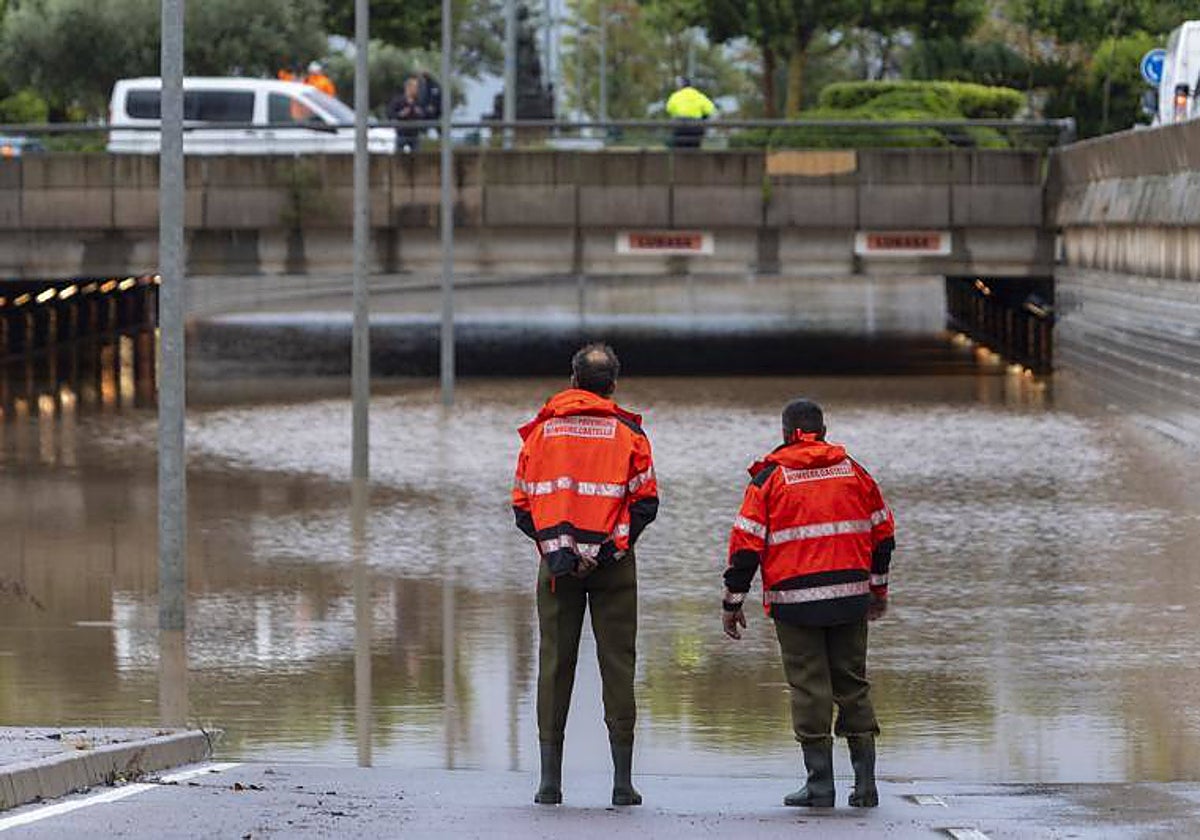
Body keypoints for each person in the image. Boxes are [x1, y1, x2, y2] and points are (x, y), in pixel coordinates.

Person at [721, 398, 895, 809]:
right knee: (852, 683)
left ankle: (820, 785)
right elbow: (883, 536)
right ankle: (866, 785)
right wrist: (878, 591)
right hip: (851, 599)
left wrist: (732, 601)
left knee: (809, 687)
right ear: (824, 430)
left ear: (785, 433)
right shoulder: (855, 472)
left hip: (795, 603)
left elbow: (745, 547)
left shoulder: (769, 480)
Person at [512, 343, 659, 807]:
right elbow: (646, 503)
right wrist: (608, 550)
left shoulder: (542, 433)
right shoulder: (629, 433)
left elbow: (522, 505)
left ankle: (549, 783)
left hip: (557, 570)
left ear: (573, 381)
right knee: (618, 664)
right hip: (614, 566)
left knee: (555, 665)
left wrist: (561, 554)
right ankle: (622, 783)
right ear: (612, 384)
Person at [665, 76, 715, 149]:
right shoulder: (699, 95)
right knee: (694, 148)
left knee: (677, 146)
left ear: (680, 86)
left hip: (680, 128)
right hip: (696, 128)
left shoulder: (675, 96)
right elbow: (711, 110)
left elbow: (669, 109)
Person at [388, 76, 427, 153]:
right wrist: (400, 114)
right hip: (402, 133)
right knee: (399, 156)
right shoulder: (398, 100)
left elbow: (425, 115)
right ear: (408, 87)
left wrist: (420, 113)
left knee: (417, 156)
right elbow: (390, 114)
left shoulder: (419, 101)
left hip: (415, 133)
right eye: (415, 87)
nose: (417, 89)